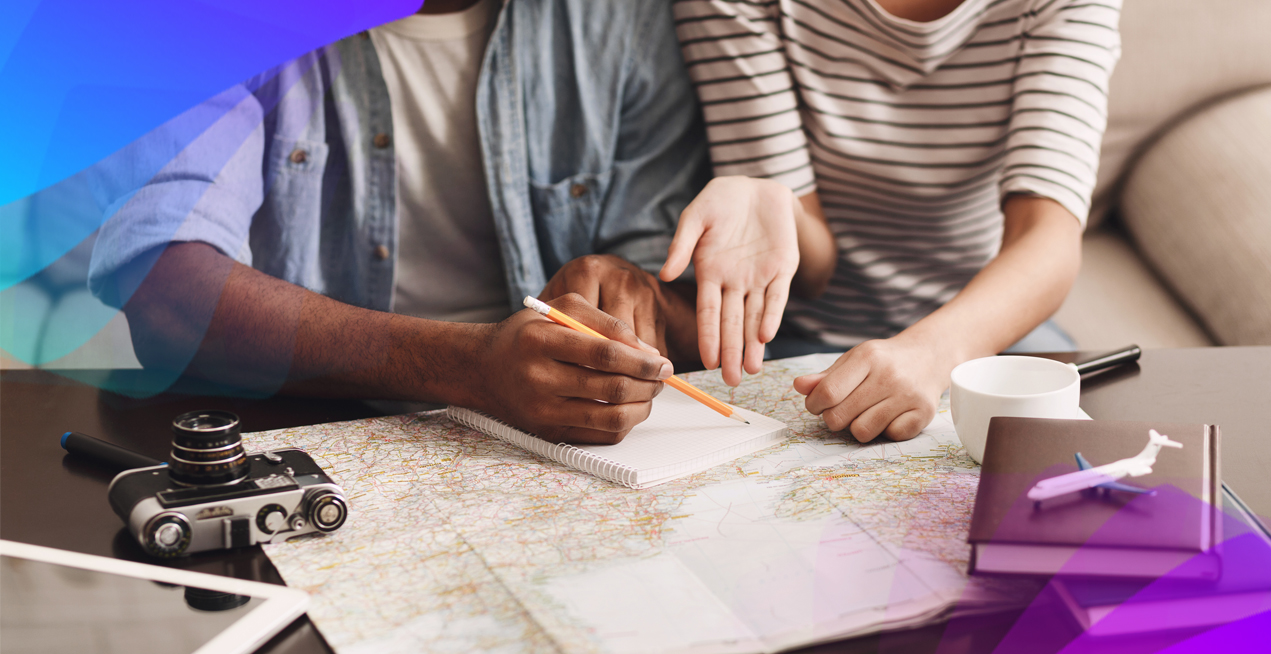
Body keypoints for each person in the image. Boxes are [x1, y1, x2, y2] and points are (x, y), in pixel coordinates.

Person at [87, 0, 709, 444]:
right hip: (304, 438)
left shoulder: (627, 18)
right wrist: (469, 367)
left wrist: (637, 291)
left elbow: (683, 303)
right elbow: (164, 293)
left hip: (547, 461)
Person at [664, 0, 1121, 442]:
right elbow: (814, 271)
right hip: (804, 340)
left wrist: (932, 352)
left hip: (987, 324)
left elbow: (1047, 234)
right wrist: (772, 200)